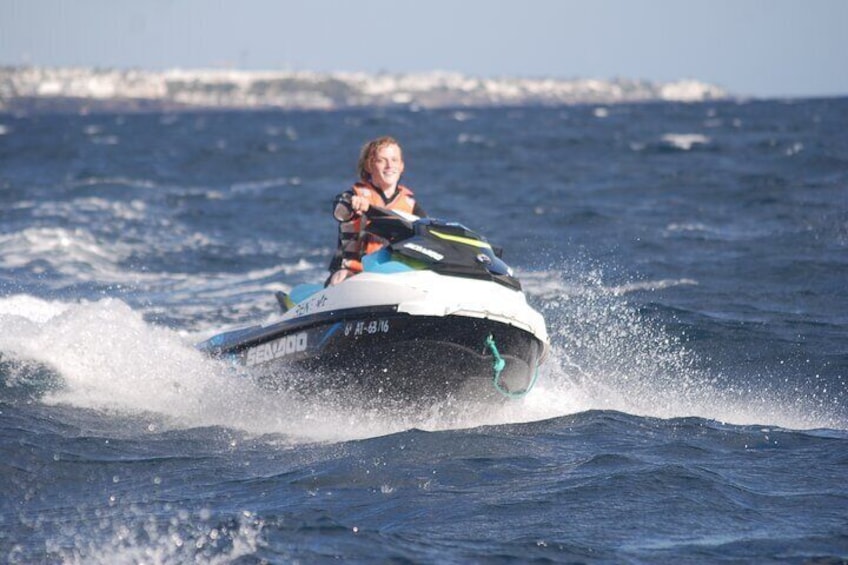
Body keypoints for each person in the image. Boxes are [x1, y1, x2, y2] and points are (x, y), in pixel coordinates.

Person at [327, 136, 426, 286]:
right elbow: (340, 210)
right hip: (353, 273)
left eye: (394, 160)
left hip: (392, 274)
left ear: (401, 166)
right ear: (369, 166)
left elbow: (426, 233)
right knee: (340, 278)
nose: (389, 166)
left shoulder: (411, 205)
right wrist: (353, 204)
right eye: (382, 160)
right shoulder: (354, 196)